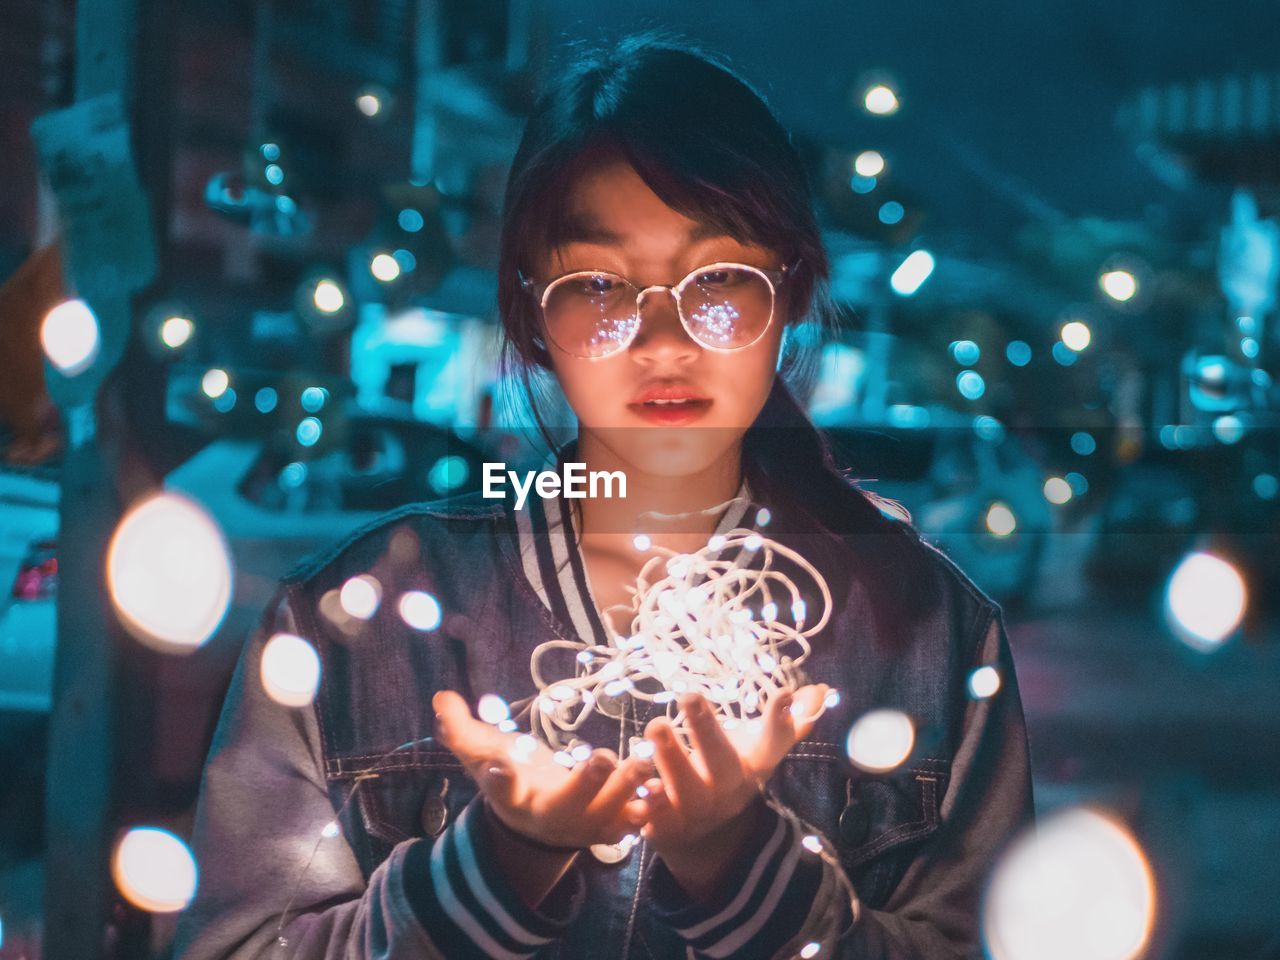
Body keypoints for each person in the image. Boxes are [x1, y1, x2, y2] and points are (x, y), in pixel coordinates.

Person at [171, 33, 1034, 960]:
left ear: (789, 295)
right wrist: (491, 868)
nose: (663, 339)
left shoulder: (928, 632)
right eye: (599, 287)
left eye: (719, 283)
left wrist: (753, 877)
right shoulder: (355, 624)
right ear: (534, 315)